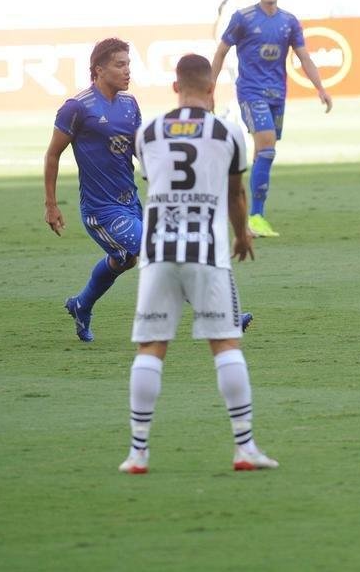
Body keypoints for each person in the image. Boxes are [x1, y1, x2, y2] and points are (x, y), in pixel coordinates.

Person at [119, 54, 276, 474]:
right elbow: (235, 193)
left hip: (156, 252)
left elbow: (156, 181)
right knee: (225, 343)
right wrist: (242, 233)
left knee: (151, 349)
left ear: (175, 87)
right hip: (206, 251)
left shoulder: (147, 132)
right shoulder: (227, 132)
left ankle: (138, 453)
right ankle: (244, 447)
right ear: (211, 90)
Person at [210, 0, 333, 239]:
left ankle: (243, 208)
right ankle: (256, 216)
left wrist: (320, 88)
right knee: (265, 145)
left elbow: (304, 57)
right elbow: (220, 52)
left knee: (265, 153)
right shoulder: (242, 18)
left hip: (278, 95)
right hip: (251, 92)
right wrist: (210, 88)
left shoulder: (288, 22)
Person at [44, 37, 143, 343]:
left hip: (131, 202)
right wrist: (51, 204)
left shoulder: (130, 105)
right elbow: (53, 154)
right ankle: (224, 316)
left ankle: (81, 304)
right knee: (158, 253)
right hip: (101, 211)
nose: (127, 71)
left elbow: (140, 149)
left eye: (129, 64)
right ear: (99, 69)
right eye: (120, 64)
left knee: (126, 260)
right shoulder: (77, 108)